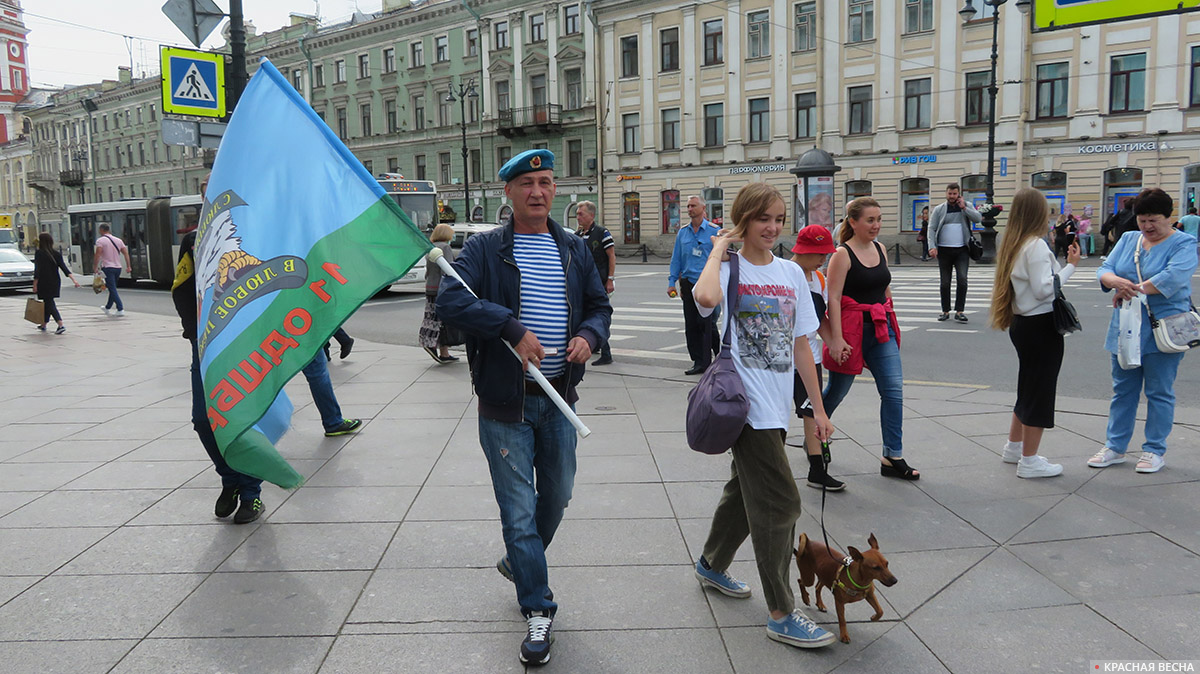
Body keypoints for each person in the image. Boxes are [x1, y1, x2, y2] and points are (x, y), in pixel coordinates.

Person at [436, 149, 612, 666]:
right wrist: (510, 328)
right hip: (505, 405)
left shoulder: (573, 248)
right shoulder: (485, 249)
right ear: (508, 192)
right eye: (528, 183)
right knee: (518, 514)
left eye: (547, 182)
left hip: (559, 399)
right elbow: (450, 301)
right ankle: (538, 610)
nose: (539, 191)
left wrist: (588, 336)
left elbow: (600, 305)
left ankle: (521, 561)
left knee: (556, 498)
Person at [692, 183, 836, 650]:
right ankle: (781, 612)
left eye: (778, 219)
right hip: (743, 405)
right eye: (763, 219)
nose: (773, 227)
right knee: (780, 503)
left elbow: (802, 346)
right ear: (743, 221)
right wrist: (718, 249)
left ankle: (712, 564)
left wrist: (817, 407)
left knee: (743, 492)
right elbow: (706, 299)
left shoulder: (792, 273)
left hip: (777, 406)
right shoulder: (730, 270)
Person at [1089, 188, 1198, 474]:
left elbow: (1172, 278)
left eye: (1154, 220)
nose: (1148, 226)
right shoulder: (1128, 239)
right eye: (1142, 220)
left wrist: (1130, 289)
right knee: (1122, 389)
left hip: (1163, 327)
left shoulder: (1184, 243)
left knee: (1159, 390)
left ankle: (1154, 449)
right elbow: (1105, 270)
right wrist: (1117, 283)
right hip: (1125, 325)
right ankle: (1115, 446)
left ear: (1169, 217)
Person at [823, 197, 918, 480]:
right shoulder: (842, 254)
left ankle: (892, 455)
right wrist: (836, 339)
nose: (876, 225)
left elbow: (884, 288)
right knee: (837, 392)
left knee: (893, 391)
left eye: (878, 219)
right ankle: (814, 431)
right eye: (870, 220)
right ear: (853, 222)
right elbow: (834, 298)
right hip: (852, 331)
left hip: (880, 328)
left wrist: (891, 317)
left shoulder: (880, 248)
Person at [989, 188, 1079, 479]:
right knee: (1040, 391)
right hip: (1041, 325)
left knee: (1027, 386)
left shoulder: (1013, 243)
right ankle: (1030, 460)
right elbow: (1044, 290)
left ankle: (1014, 448)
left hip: (1022, 325)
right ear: (1038, 213)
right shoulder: (1036, 246)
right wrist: (1070, 268)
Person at [789, 224, 844, 491]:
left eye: (826, 254)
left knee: (812, 412)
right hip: (780, 359)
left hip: (809, 356)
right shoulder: (784, 273)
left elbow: (819, 318)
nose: (824, 259)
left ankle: (817, 469)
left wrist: (834, 342)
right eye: (820, 254)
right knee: (773, 415)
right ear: (803, 251)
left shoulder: (818, 279)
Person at [668, 195, 722, 375]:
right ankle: (699, 361)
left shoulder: (715, 231)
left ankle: (719, 356)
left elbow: (723, 258)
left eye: (693, 206)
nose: (690, 209)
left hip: (708, 283)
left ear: (703, 208)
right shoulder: (683, 232)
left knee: (708, 323)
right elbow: (676, 259)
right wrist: (672, 282)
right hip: (688, 283)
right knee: (691, 325)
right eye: (688, 206)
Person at [928, 183, 982, 323]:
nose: (952, 196)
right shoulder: (939, 209)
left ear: (959, 194)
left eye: (954, 194)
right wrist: (932, 246)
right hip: (944, 250)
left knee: (962, 279)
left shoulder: (966, 206)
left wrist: (964, 207)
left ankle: (960, 311)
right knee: (945, 282)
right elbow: (932, 228)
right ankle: (945, 311)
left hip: (962, 250)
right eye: (950, 194)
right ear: (946, 194)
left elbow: (978, 218)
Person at [575, 200, 615, 365]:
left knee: (598, 314)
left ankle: (606, 353)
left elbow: (611, 256)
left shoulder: (602, 233)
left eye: (580, 214)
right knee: (584, 314)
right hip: (581, 283)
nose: (578, 217)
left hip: (599, 281)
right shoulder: (578, 235)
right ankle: (593, 344)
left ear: (591, 215)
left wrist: (610, 279)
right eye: (577, 214)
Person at [419, 223, 459, 364]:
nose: (453, 236)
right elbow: (447, 269)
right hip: (441, 289)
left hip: (430, 287)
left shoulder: (431, 247)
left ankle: (444, 352)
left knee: (433, 317)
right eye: (451, 233)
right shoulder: (445, 247)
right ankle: (432, 345)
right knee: (443, 320)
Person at [31, 233, 80, 334]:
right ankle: (44, 324)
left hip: (44, 282)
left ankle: (60, 324)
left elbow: (38, 270)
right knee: (48, 302)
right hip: (55, 281)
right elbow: (64, 268)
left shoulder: (39, 253)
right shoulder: (56, 253)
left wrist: (35, 284)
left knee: (49, 303)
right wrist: (74, 280)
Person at [94, 222, 130, 316]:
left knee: (112, 288)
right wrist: (128, 266)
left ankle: (120, 308)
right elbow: (126, 253)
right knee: (112, 287)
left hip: (107, 267)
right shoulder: (118, 240)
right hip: (118, 267)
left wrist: (95, 267)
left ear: (101, 230)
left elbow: (97, 254)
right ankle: (107, 307)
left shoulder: (100, 241)